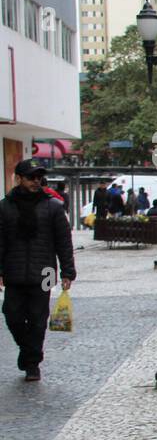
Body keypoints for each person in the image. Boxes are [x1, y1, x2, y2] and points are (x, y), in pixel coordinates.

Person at [0, 160, 75, 381]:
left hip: (45, 272)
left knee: (37, 319)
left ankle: (32, 364)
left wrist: (68, 272)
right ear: (19, 179)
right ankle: (28, 351)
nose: (36, 181)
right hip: (14, 271)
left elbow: (64, 241)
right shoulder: (5, 207)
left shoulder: (53, 206)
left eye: (39, 177)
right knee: (11, 315)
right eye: (31, 177)